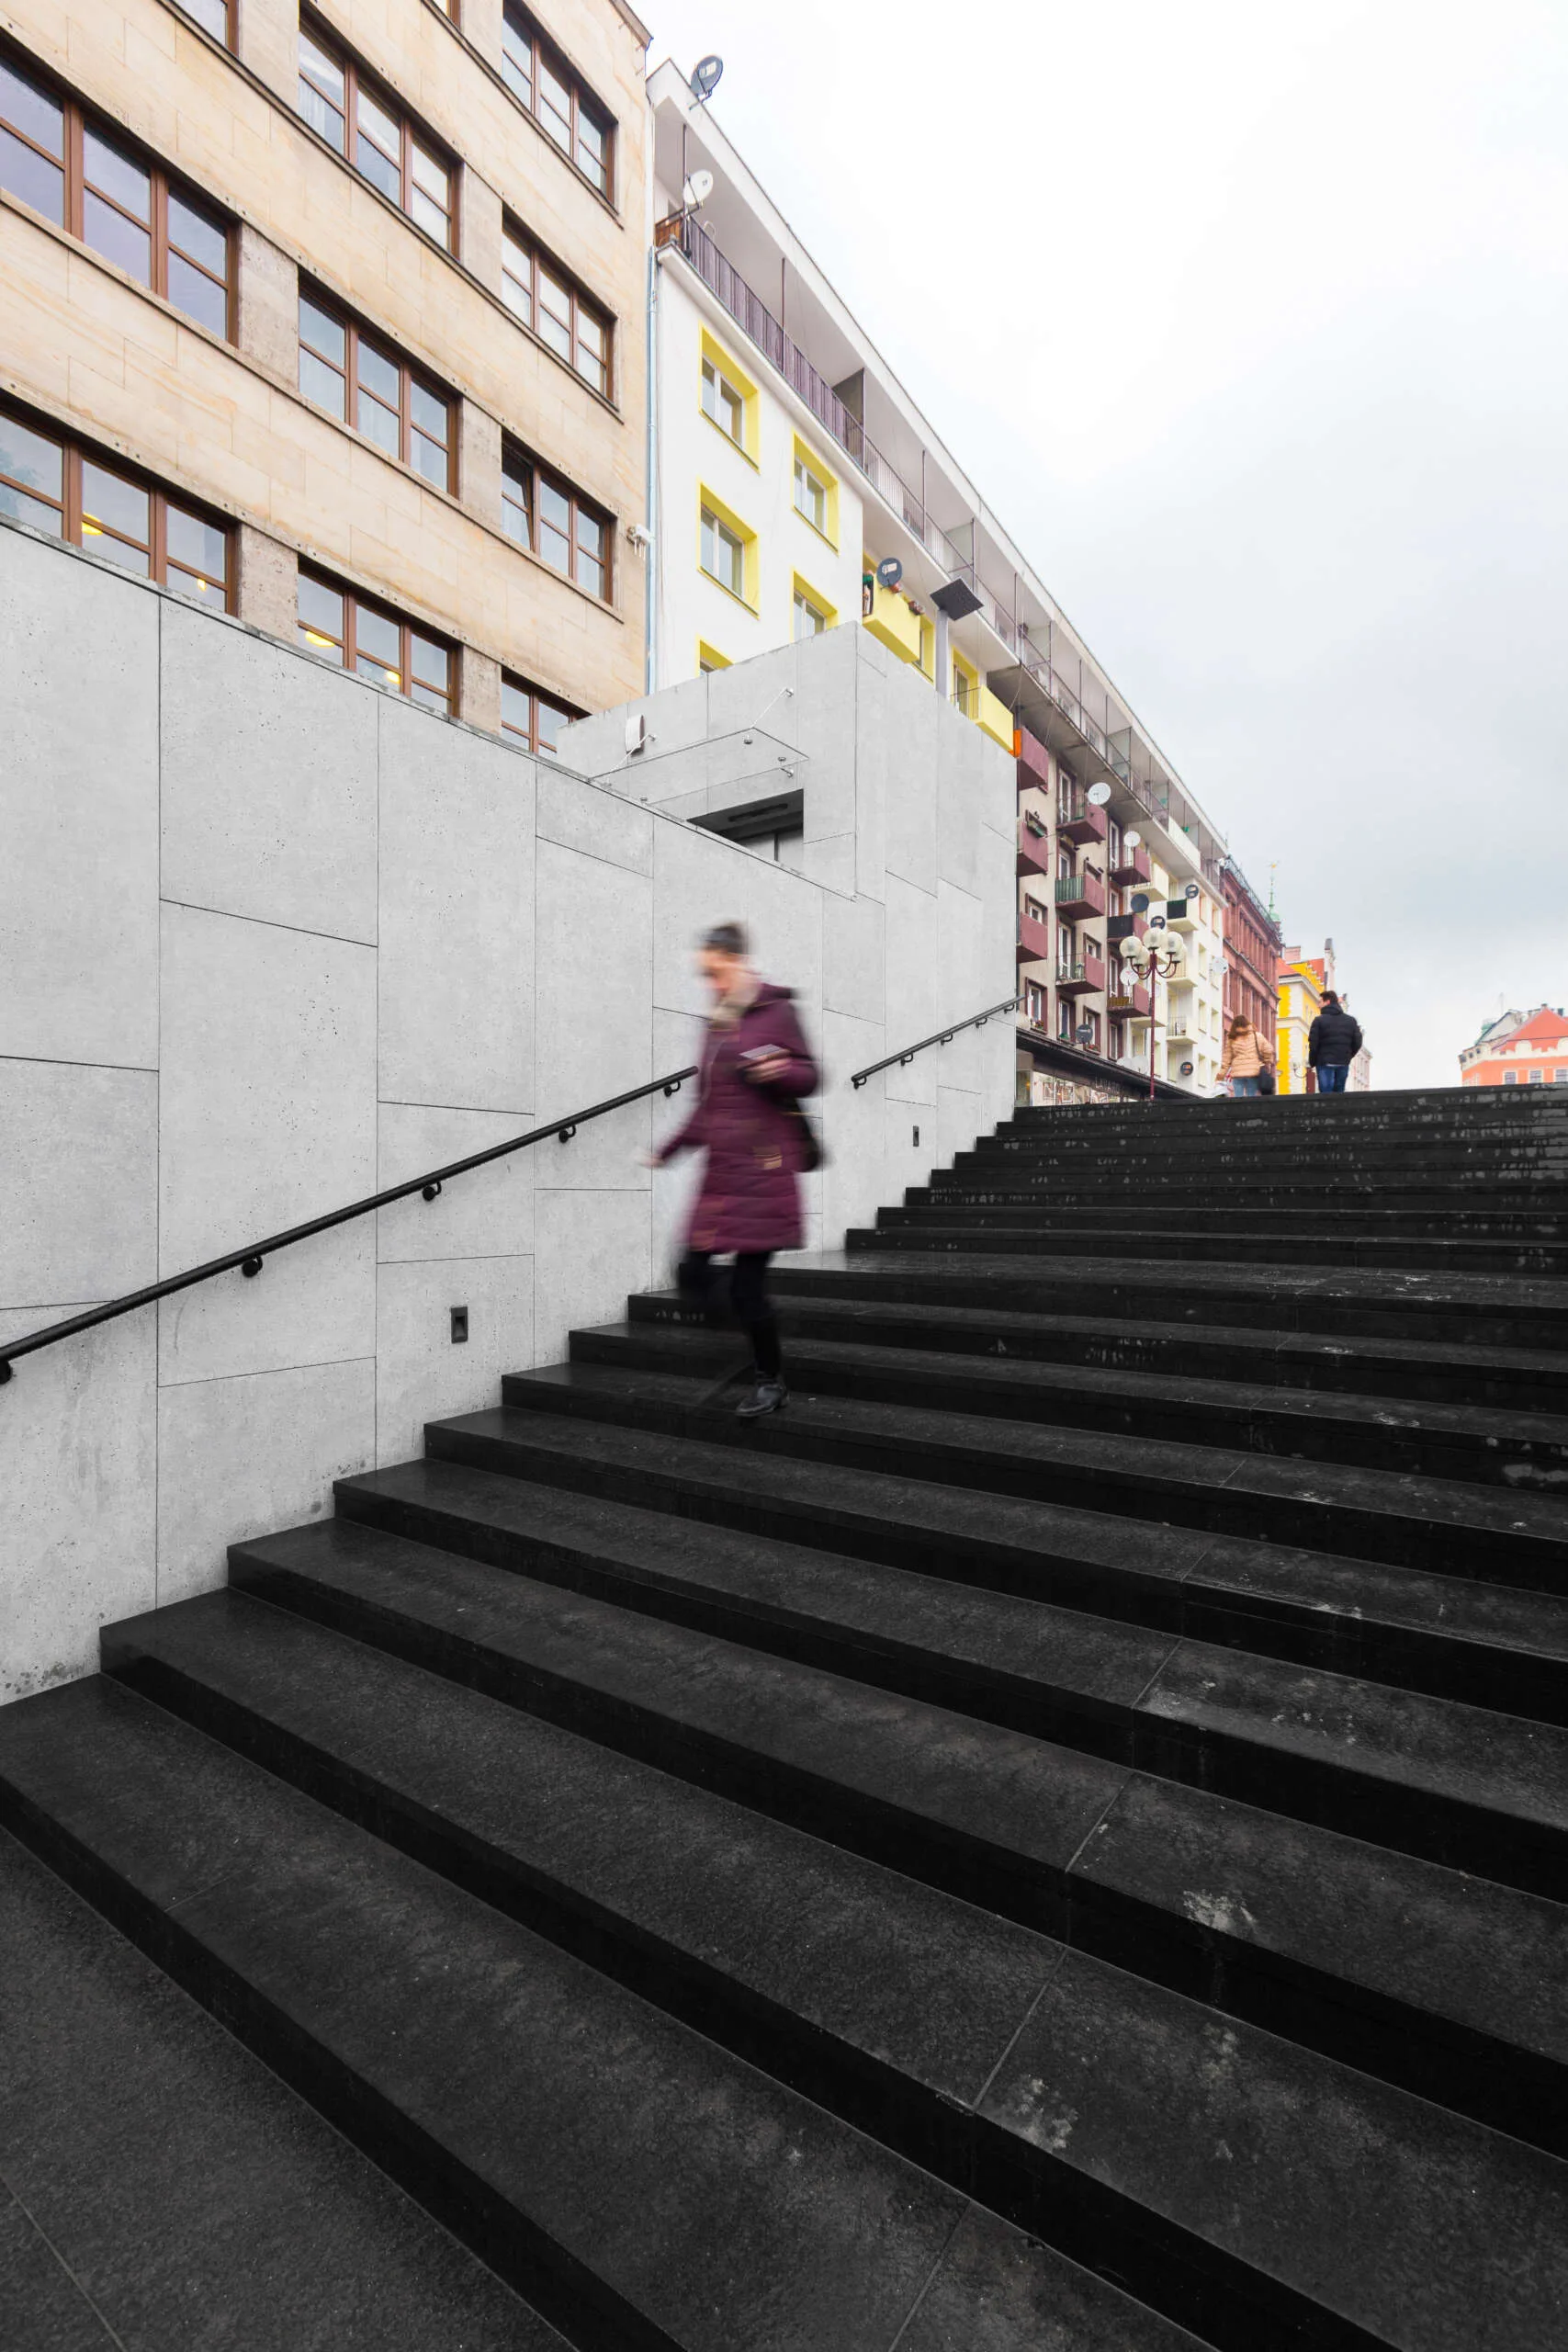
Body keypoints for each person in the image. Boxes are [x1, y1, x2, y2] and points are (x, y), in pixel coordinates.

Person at [652, 921, 819, 1420]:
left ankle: (770, 1379)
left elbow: (811, 1074)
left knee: (747, 1287)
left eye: (716, 971)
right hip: (722, 1177)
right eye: (706, 974)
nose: (712, 983)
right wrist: (671, 1148)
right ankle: (747, 1340)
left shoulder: (776, 1009)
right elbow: (707, 1106)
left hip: (765, 1173)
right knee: (691, 1271)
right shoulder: (716, 1025)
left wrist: (780, 1070)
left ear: (738, 961)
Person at [1308, 991, 1364, 1095]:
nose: (1318, 1005)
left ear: (1327, 1002)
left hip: (1324, 1062)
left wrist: (1312, 1061)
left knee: (1326, 1094)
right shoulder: (1350, 1021)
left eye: (1320, 1002)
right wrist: (1348, 1055)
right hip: (1342, 1062)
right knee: (1339, 1095)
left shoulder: (1319, 1021)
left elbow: (1313, 1043)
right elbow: (1358, 1041)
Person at [1217, 1012, 1276, 1097]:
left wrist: (1221, 1075)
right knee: (1251, 1097)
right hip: (1253, 1072)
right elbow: (1269, 1050)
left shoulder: (1232, 1039)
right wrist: (1266, 1060)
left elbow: (1226, 1059)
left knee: (1238, 1098)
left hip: (1237, 1073)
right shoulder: (1258, 1036)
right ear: (1248, 1024)